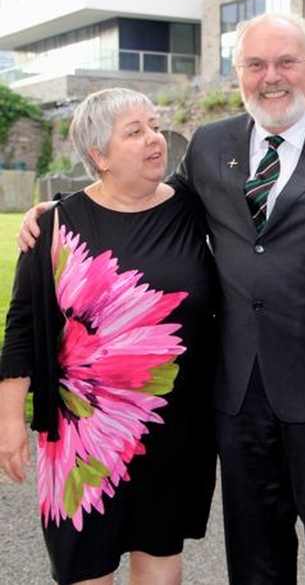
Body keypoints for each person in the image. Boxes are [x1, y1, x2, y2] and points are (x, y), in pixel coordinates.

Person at [16, 13, 305, 585]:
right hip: (237, 389)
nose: (271, 77)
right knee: (254, 553)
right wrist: (61, 212)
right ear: (238, 74)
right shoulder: (211, 144)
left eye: (285, 62)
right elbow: (146, 202)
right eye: (256, 65)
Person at [1, 87, 218, 585]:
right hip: (81, 433)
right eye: (135, 132)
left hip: (170, 424)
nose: (154, 140)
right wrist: (10, 418)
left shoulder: (194, 210)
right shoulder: (56, 225)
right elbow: (23, 325)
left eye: (155, 126)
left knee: (160, 559)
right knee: (85, 567)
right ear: (98, 155)